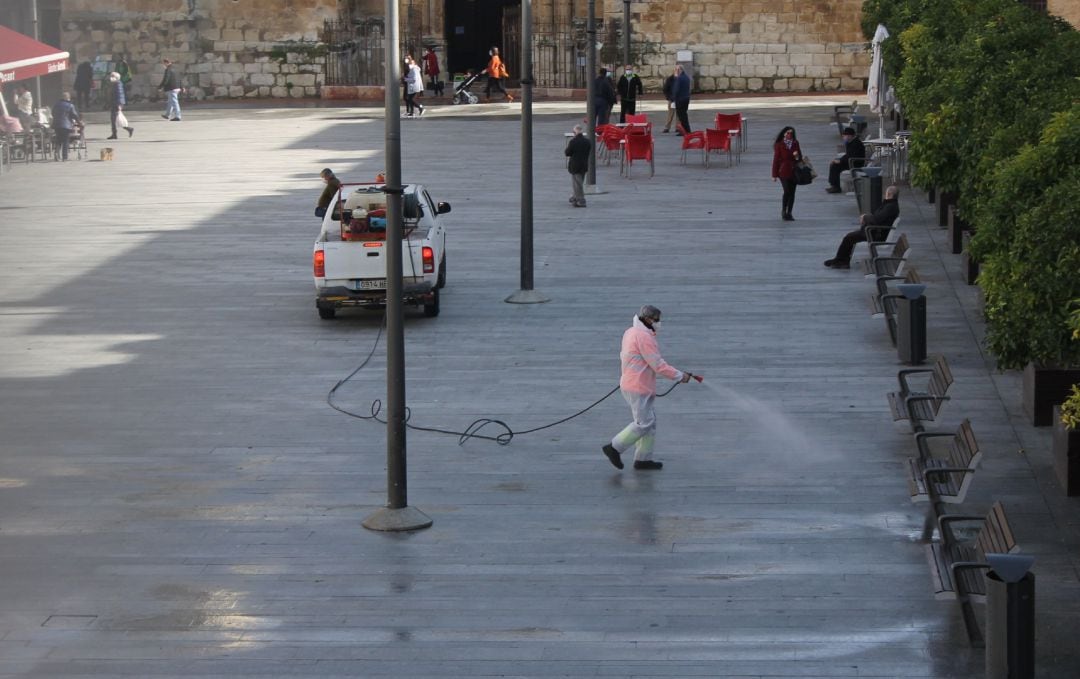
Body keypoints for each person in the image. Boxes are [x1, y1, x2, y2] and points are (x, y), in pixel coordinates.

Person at [602, 305, 694, 471]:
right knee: (644, 423)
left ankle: (643, 459)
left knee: (649, 423)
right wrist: (680, 376)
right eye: (657, 320)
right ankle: (614, 447)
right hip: (638, 386)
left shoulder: (630, 331)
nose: (659, 323)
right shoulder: (644, 337)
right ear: (648, 319)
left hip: (634, 383)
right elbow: (658, 365)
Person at [824, 185, 901, 269]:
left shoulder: (890, 207)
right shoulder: (890, 205)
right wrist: (866, 216)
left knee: (849, 237)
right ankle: (840, 260)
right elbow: (878, 217)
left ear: (889, 194)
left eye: (885, 193)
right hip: (874, 231)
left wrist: (865, 217)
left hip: (876, 234)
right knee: (850, 237)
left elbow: (877, 219)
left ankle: (842, 261)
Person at [771, 126, 802, 221]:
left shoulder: (795, 143)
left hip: (794, 170)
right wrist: (774, 174)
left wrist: (797, 156)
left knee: (792, 192)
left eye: (791, 133)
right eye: (788, 133)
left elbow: (800, 158)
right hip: (783, 171)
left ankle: (790, 212)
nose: (789, 135)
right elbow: (776, 160)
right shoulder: (779, 144)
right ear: (784, 133)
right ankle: (784, 210)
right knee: (787, 191)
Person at [826, 127, 866, 194]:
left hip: (855, 163)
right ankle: (833, 185)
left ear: (849, 136)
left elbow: (851, 155)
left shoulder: (856, 143)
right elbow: (848, 155)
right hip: (851, 161)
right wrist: (839, 160)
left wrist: (840, 161)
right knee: (834, 164)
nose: (843, 137)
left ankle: (836, 187)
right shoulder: (850, 142)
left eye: (844, 136)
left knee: (835, 166)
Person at [565, 124, 592, 208]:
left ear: (574, 132)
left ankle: (580, 199)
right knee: (579, 182)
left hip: (575, 165)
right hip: (584, 165)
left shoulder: (573, 142)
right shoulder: (587, 141)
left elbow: (567, 153)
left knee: (577, 184)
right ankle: (574, 197)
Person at [50, 92, 80, 161]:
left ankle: (56, 154)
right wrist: (79, 123)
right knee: (65, 140)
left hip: (56, 125)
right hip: (66, 125)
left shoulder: (56, 104)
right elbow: (75, 115)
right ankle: (64, 157)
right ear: (68, 98)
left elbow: (53, 113)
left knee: (58, 140)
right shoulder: (70, 105)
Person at [106, 72, 134, 139]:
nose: (111, 77)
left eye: (112, 76)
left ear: (116, 77)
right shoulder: (114, 83)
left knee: (114, 120)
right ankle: (127, 129)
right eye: (111, 76)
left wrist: (119, 105)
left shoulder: (117, 84)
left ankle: (115, 134)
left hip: (116, 104)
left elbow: (120, 95)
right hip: (114, 103)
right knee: (116, 120)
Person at [673, 64, 692, 134]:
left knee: (682, 116)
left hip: (680, 99)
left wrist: (673, 98)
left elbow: (676, 89)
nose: (676, 71)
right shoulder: (686, 77)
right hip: (686, 98)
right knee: (684, 115)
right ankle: (684, 130)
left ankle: (687, 131)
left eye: (677, 70)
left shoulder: (679, 78)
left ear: (681, 70)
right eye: (675, 69)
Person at [661, 67, 677, 133]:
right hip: (672, 99)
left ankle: (678, 127)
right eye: (676, 70)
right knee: (670, 114)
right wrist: (669, 97)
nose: (677, 72)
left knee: (679, 115)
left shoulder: (681, 79)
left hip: (679, 99)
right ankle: (667, 127)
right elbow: (665, 89)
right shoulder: (670, 79)